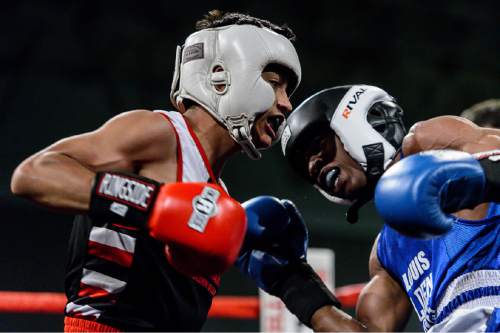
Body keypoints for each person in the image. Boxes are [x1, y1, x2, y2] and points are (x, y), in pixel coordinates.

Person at [10, 10, 340, 332]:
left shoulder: (218, 199)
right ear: (223, 76)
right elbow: (34, 174)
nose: (285, 103)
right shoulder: (160, 133)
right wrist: (153, 204)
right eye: (274, 83)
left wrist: (298, 284)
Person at [281, 84, 500, 332]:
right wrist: (291, 282)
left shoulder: (429, 142)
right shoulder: (384, 254)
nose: (314, 165)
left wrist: (479, 176)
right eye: (306, 166)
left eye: (319, 146)